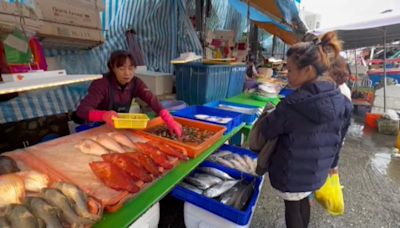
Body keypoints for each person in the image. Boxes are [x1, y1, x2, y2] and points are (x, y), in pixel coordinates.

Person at [255, 32, 352, 228]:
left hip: (290, 171)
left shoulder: (291, 105)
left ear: (307, 70)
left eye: (289, 70)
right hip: (317, 170)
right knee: (302, 200)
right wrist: (333, 164)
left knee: (292, 208)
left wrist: (269, 114)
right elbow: (339, 138)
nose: (286, 74)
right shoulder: (342, 100)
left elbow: (267, 131)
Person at [76, 50, 182, 136]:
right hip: (97, 128)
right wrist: (104, 115)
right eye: (121, 68)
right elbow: (81, 111)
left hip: (118, 129)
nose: (127, 73)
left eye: (131, 68)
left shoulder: (136, 83)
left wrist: (169, 120)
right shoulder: (101, 84)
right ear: (113, 68)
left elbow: (152, 100)